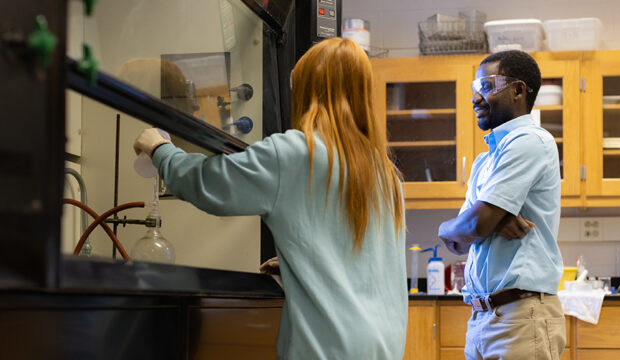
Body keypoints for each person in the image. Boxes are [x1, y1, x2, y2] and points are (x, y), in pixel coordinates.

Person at [133, 38, 408, 359]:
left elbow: (209, 184)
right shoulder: (386, 173)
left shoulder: (294, 152)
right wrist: (301, 258)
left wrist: (160, 149)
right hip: (386, 345)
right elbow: (363, 255)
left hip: (327, 348)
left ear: (306, 91)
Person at [437, 50, 565, 359]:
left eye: (486, 86)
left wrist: (481, 223)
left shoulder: (529, 141)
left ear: (518, 90)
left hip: (520, 317)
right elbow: (457, 242)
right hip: (482, 317)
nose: (475, 98)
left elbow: (474, 226)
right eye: (474, 88)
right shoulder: (484, 161)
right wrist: (458, 226)